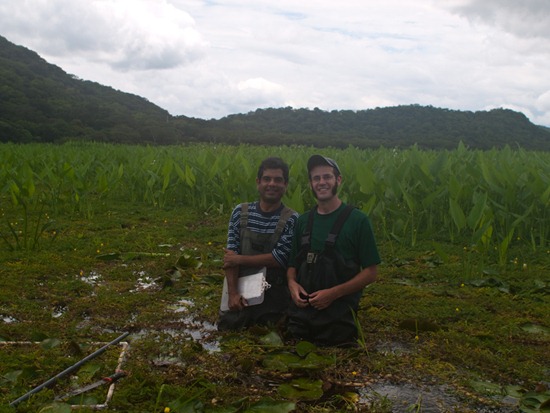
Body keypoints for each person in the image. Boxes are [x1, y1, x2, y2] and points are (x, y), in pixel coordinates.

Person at [286, 155, 381, 346]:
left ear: (338, 180)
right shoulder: (303, 221)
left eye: (327, 177)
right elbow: (292, 265)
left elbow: (371, 273)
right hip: (301, 318)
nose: (322, 182)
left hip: (339, 320)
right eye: (316, 178)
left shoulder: (358, 221)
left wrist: (334, 294)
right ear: (310, 184)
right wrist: (292, 284)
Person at [217, 157, 298, 331]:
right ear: (258, 182)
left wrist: (238, 260)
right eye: (267, 179)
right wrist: (232, 294)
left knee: (271, 330)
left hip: (273, 291)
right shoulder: (240, 212)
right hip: (241, 286)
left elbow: (278, 259)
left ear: (285, 185)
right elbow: (230, 257)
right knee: (228, 327)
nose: (272, 184)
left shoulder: (292, 219)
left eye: (278, 180)